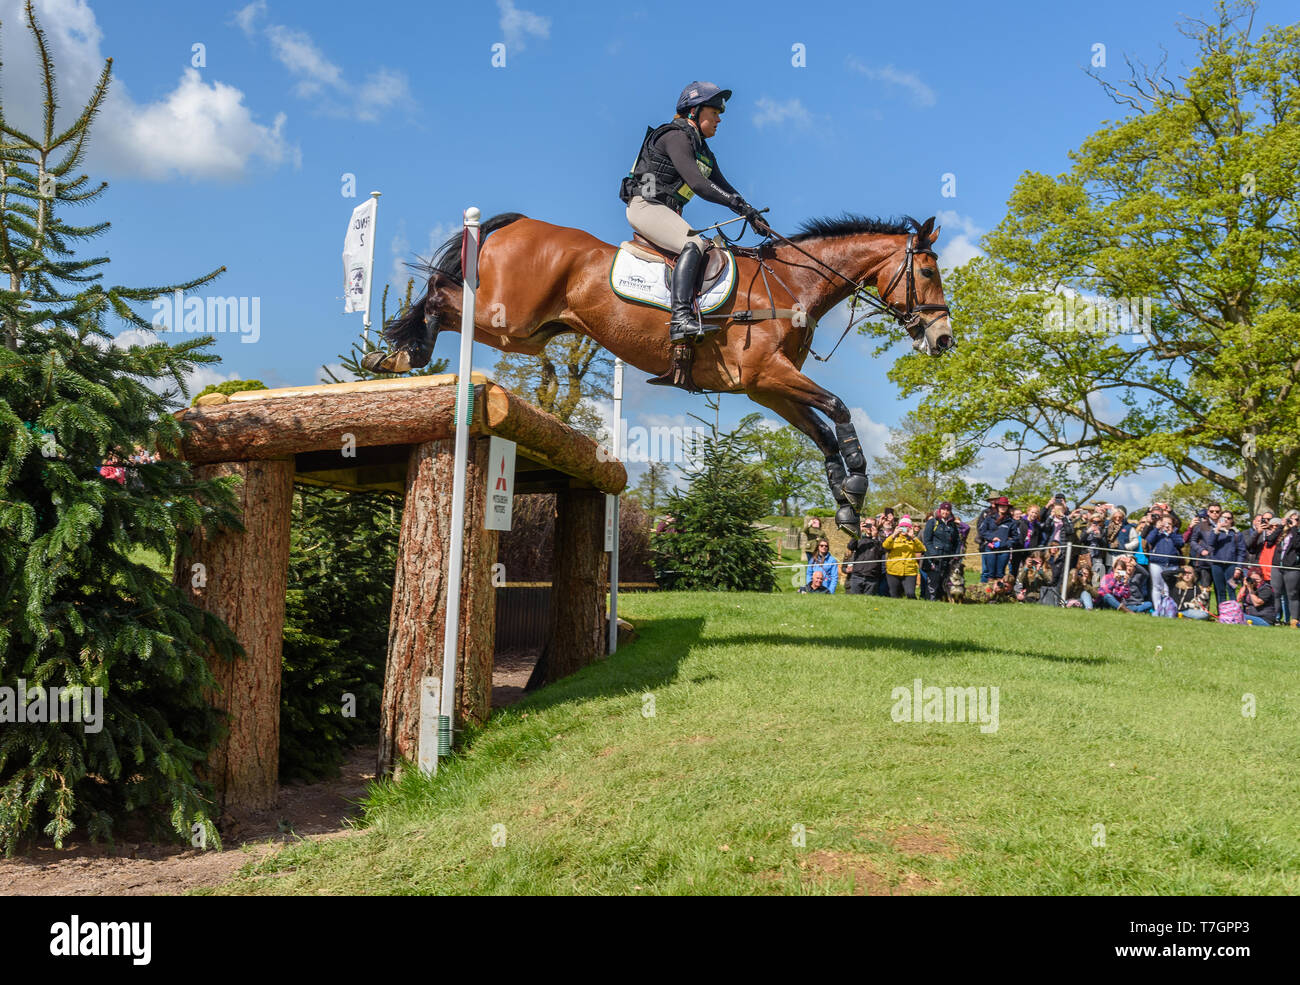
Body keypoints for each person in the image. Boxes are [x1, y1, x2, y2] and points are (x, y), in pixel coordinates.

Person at [621, 81, 771, 389]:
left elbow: (725, 186)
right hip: (646, 206)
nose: (719, 119)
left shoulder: (704, 152)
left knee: (715, 248)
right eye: (714, 112)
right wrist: (736, 204)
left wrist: (750, 212)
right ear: (694, 111)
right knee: (694, 243)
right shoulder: (675, 135)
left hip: (667, 212)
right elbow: (700, 186)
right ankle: (680, 319)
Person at [1143, 513, 1185, 612]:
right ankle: (1158, 608)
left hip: (1172, 564)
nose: (1166, 525)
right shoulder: (1156, 533)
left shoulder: (1176, 534)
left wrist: (1171, 533)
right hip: (1156, 563)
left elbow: (1181, 543)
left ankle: (1167, 608)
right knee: (1157, 586)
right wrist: (1156, 529)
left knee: (1168, 587)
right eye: (1164, 523)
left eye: (1169, 523)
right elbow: (1149, 540)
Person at [1208, 509, 1247, 614]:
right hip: (1217, 565)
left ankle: (1234, 613)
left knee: (1232, 589)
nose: (1226, 520)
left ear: (1232, 520)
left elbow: (1241, 552)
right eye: (1223, 517)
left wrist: (1238, 567)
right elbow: (1210, 543)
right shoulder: (1215, 531)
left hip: (1231, 566)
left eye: (1228, 518)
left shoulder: (1237, 534)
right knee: (1220, 590)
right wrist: (1218, 529)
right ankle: (1223, 614)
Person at [1265, 510, 1300, 626]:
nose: (1292, 521)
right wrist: (1280, 526)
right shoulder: (1282, 531)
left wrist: (1294, 528)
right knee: (1276, 593)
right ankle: (1275, 619)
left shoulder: (1298, 532)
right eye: (1291, 518)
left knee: (1292, 595)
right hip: (1277, 566)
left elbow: (1297, 545)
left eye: (1296, 519)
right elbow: (1269, 541)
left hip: (1292, 568)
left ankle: (1293, 621)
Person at [921, 501, 962, 601]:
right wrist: (933, 554)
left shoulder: (952, 525)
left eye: (948, 510)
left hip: (948, 559)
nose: (945, 512)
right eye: (943, 509)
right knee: (933, 583)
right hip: (934, 558)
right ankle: (930, 602)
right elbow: (927, 540)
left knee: (944, 582)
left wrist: (956, 556)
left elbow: (957, 541)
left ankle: (942, 601)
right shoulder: (933, 522)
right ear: (940, 510)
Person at [882, 516, 924, 598]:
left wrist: (913, 537)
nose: (904, 529)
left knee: (910, 594)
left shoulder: (913, 540)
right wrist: (894, 535)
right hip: (893, 570)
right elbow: (885, 546)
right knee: (894, 595)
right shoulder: (894, 538)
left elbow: (922, 549)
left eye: (906, 527)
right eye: (902, 527)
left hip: (909, 571)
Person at [977, 496, 1014, 582]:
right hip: (990, 549)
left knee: (1000, 574)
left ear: (1008, 507)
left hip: (1004, 551)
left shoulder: (1011, 521)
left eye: (1005, 506)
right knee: (990, 574)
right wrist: (991, 538)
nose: (1003, 508)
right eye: (1001, 506)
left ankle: (1000, 593)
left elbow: (1015, 537)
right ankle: (990, 593)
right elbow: (982, 531)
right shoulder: (989, 518)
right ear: (997, 506)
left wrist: (1007, 543)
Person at [845, 518, 886, 595]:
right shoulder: (860, 539)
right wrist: (858, 532)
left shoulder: (880, 539)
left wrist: (875, 538)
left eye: (872, 525)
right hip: (857, 576)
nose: (869, 527)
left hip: (872, 577)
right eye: (867, 525)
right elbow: (850, 546)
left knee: (869, 603)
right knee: (854, 601)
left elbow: (881, 552)